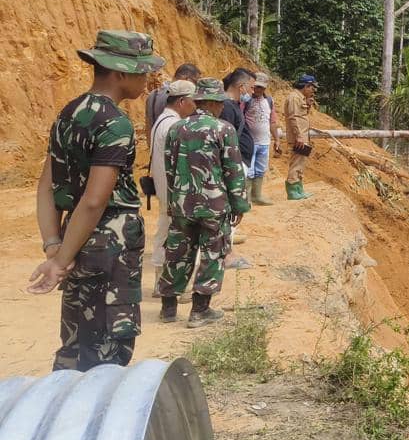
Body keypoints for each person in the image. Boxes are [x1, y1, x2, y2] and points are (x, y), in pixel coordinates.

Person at [28, 29, 164, 371]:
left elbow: (46, 186)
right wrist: (58, 263)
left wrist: (55, 247)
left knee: (74, 343)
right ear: (119, 72)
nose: (148, 78)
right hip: (107, 250)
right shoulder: (115, 123)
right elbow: (94, 200)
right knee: (106, 350)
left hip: (75, 242)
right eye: (142, 70)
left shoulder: (68, 113)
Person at [158, 78, 251, 328]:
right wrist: (239, 205)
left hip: (181, 204)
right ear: (213, 103)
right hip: (214, 205)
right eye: (219, 103)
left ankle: (168, 309)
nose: (222, 107)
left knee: (177, 253)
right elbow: (233, 170)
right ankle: (199, 311)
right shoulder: (223, 130)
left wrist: (173, 199)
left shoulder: (177, 129)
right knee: (212, 253)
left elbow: (169, 167)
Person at [149, 80, 197, 296]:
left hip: (164, 189)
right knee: (174, 236)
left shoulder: (162, 121)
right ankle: (167, 285)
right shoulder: (173, 126)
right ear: (182, 101)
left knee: (164, 230)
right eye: (192, 101)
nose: (195, 106)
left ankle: (161, 282)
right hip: (173, 191)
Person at [219, 68, 254, 245]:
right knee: (231, 205)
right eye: (251, 87)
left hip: (239, 162)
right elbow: (226, 142)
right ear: (242, 87)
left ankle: (229, 241)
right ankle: (227, 250)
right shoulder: (227, 108)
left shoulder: (233, 106)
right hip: (234, 164)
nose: (252, 92)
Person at [243, 72, 280, 206]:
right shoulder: (246, 100)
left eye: (261, 88)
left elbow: (273, 121)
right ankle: (246, 198)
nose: (258, 90)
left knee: (260, 168)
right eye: (256, 87)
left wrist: (277, 139)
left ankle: (256, 195)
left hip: (265, 142)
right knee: (249, 170)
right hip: (250, 142)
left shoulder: (269, 101)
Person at [283, 74, 318, 200]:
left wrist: (308, 105)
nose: (313, 91)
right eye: (312, 88)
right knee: (296, 162)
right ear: (306, 86)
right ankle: (292, 190)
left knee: (301, 163)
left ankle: (298, 189)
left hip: (303, 137)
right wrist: (298, 136)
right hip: (298, 138)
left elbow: (302, 116)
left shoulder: (301, 98)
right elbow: (293, 117)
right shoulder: (294, 97)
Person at [145, 63, 200, 135]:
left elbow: (149, 128)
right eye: (196, 82)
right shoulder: (183, 98)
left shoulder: (153, 95)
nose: (197, 86)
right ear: (187, 79)